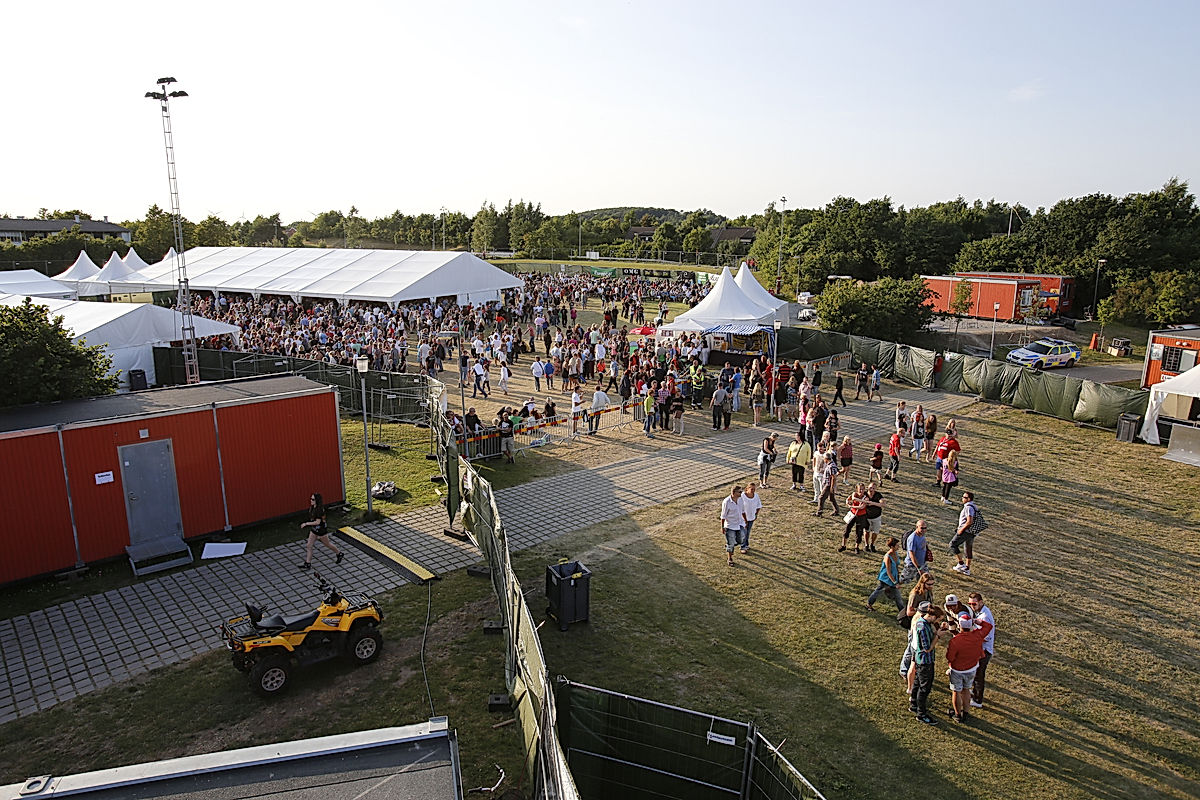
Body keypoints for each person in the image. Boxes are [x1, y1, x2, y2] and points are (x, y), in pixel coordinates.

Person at [944, 611, 993, 723]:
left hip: (957, 670)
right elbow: (988, 626)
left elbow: (950, 657)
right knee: (966, 690)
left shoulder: (955, 641)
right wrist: (976, 621)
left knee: (956, 691)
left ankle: (957, 714)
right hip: (971, 668)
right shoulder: (977, 635)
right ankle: (966, 712)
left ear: (959, 626)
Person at [909, 602, 942, 725]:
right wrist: (937, 636)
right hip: (925, 661)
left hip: (920, 660)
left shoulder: (923, 622)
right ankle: (921, 714)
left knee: (917, 683)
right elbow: (927, 648)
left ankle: (914, 704)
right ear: (932, 616)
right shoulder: (922, 627)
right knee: (924, 688)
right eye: (938, 619)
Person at [300, 492, 342, 570]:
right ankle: (308, 563)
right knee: (309, 545)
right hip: (314, 529)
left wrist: (306, 524)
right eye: (311, 499)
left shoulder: (319, 510)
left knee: (327, 544)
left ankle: (339, 553)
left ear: (317, 501)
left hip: (321, 530)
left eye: (313, 499)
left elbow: (318, 522)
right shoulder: (312, 508)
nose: (311, 500)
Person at [967, 592, 995, 709]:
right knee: (976, 674)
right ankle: (975, 694)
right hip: (981, 649)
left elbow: (986, 637)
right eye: (970, 604)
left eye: (974, 603)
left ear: (981, 602)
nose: (972, 606)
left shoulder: (984, 616)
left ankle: (978, 700)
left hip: (984, 650)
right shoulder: (981, 612)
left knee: (979, 676)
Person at [866, 536, 904, 612]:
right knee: (879, 591)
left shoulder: (895, 553)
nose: (898, 546)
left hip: (893, 578)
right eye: (897, 545)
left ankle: (902, 611)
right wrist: (895, 583)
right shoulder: (888, 557)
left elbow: (896, 565)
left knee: (897, 596)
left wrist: (898, 576)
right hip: (886, 578)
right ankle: (869, 604)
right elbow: (888, 571)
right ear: (892, 546)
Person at [950, 491, 981, 576]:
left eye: (964, 497)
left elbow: (969, 521)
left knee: (953, 544)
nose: (962, 498)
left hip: (966, 531)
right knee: (968, 548)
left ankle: (961, 563)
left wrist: (961, 530)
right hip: (972, 532)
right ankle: (967, 569)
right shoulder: (974, 506)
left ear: (969, 499)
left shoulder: (968, 507)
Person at [720, 484, 747, 566]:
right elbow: (723, 516)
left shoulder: (740, 499)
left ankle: (729, 544)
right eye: (740, 492)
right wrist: (722, 527)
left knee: (741, 539)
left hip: (740, 524)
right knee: (731, 543)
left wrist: (745, 520)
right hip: (730, 525)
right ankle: (730, 558)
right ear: (734, 492)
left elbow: (742, 511)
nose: (741, 493)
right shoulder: (727, 502)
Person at [838, 483, 869, 553]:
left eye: (862, 489)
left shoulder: (865, 498)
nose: (861, 491)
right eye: (859, 489)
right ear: (857, 489)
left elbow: (862, 507)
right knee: (847, 529)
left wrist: (852, 506)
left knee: (859, 532)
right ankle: (843, 545)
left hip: (861, 516)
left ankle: (856, 547)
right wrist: (847, 502)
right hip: (853, 514)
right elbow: (849, 499)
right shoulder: (854, 494)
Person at [898, 519, 929, 584]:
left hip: (922, 563)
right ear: (917, 527)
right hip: (912, 565)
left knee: (925, 581)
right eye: (922, 528)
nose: (923, 530)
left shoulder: (922, 535)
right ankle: (890, 589)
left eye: (925, 528)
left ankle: (921, 593)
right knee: (902, 582)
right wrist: (919, 568)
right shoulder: (912, 538)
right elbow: (912, 555)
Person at [739, 481, 762, 554]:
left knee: (748, 532)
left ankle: (746, 544)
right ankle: (742, 546)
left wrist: (756, 515)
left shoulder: (756, 496)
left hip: (751, 518)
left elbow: (758, 506)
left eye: (754, 489)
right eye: (751, 489)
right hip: (743, 518)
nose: (753, 491)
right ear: (747, 489)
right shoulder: (742, 496)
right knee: (743, 532)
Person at [863, 481, 885, 552]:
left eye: (873, 488)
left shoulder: (878, 495)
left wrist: (871, 503)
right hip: (867, 517)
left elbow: (882, 504)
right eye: (870, 488)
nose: (871, 489)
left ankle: (872, 545)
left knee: (875, 532)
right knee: (867, 531)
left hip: (876, 517)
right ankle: (866, 545)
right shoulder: (864, 494)